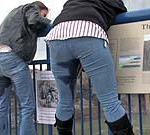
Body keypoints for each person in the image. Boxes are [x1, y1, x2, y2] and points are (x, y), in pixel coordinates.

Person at [46, 0, 134, 135]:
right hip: (88, 32)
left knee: (64, 101)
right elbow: (121, 9)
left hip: (57, 35)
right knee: (110, 102)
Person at [0, 1, 51, 135]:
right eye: (43, 14)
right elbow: (34, 21)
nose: (42, 17)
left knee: (1, 104)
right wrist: (48, 22)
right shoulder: (30, 7)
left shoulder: (14, 12)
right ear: (39, 9)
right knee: (27, 106)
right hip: (12, 57)